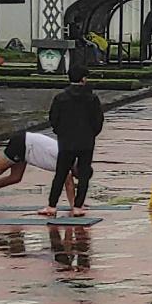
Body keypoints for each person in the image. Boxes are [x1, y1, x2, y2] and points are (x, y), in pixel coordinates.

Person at [39, 66, 104, 217]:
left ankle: (52, 205)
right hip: (86, 142)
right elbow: (98, 120)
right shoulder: (92, 98)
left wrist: (61, 132)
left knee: (61, 173)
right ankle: (78, 206)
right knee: (83, 173)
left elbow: (53, 119)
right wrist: (91, 134)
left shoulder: (61, 97)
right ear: (84, 79)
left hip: (66, 141)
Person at [0, 129, 73, 211]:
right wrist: (74, 206)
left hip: (27, 152)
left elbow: (69, 182)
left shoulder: (70, 163)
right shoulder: (67, 158)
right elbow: (68, 183)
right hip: (22, 143)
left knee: (15, 177)